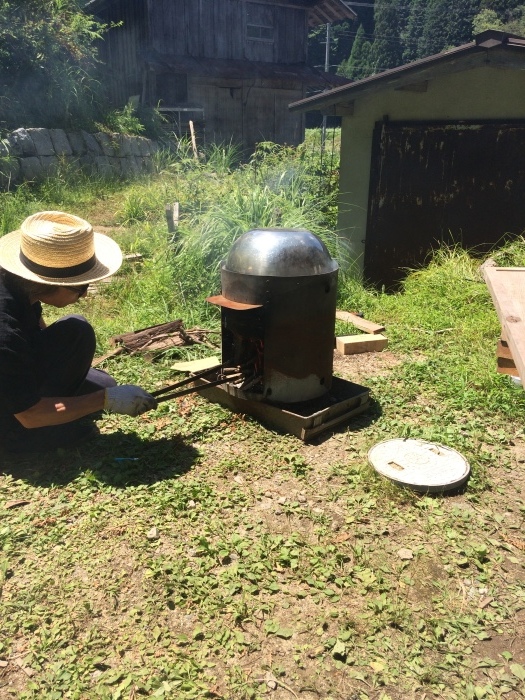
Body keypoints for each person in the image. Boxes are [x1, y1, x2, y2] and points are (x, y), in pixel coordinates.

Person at [0, 210, 157, 454]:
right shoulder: (5, 331)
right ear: (48, 283)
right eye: (80, 287)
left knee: (100, 379)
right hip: (15, 418)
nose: (84, 294)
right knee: (92, 375)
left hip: (13, 371)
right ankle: (27, 438)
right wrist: (107, 400)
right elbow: (29, 414)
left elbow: (36, 327)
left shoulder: (18, 284)